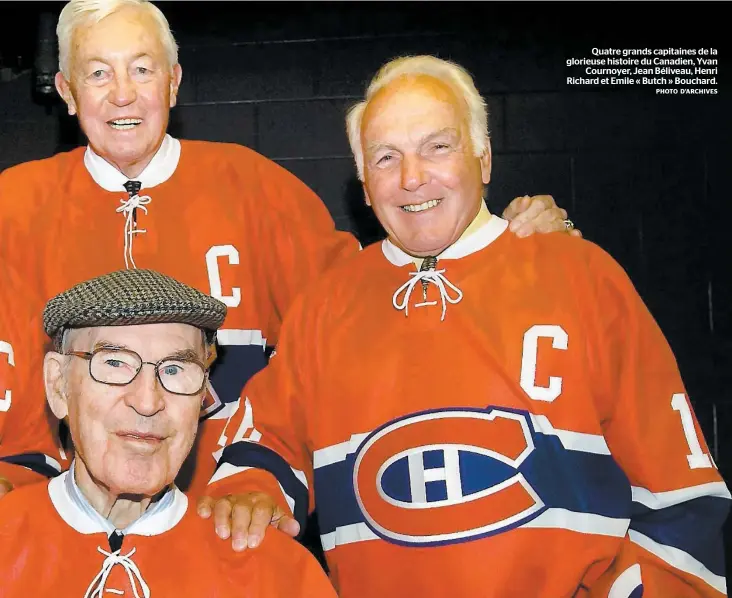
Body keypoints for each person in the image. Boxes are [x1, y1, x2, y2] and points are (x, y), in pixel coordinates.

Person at [0, 0, 573, 500]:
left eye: (142, 69)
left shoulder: (254, 186)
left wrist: (491, 247)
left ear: (173, 82)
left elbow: (367, 302)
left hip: (232, 521)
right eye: (98, 73)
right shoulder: (14, 205)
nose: (123, 93)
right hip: (60, 529)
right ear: (69, 93)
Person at [206, 55, 730, 597]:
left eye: (438, 146)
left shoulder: (581, 276)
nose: (412, 178)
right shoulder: (324, 305)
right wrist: (253, 488)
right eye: (386, 158)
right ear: (363, 185)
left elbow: (681, 497)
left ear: (483, 156)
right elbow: (266, 441)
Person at [0, 268, 338, 597]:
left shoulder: (275, 572)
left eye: (175, 369)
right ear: (58, 386)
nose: (147, 402)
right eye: (114, 363)